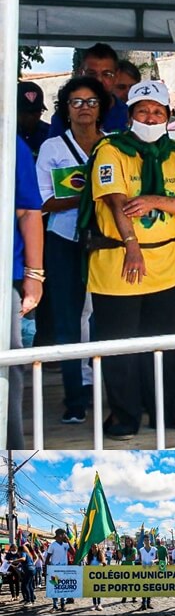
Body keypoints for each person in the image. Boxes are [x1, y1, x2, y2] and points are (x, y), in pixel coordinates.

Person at [85, 80, 175, 439]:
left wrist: (154, 201)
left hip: (164, 263)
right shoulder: (111, 150)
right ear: (130, 114)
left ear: (167, 115)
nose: (150, 117)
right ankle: (123, 414)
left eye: (157, 111)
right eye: (143, 110)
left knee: (160, 343)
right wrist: (132, 244)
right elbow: (116, 200)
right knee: (120, 345)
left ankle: (164, 407)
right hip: (119, 261)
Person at [36, 76, 110, 425]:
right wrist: (88, 197)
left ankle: (100, 386)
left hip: (105, 241)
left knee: (102, 316)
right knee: (68, 320)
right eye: (76, 102)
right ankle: (74, 396)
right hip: (64, 241)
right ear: (65, 108)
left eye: (91, 101)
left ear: (102, 107)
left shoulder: (113, 146)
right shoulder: (53, 147)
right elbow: (44, 202)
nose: (84, 108)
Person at [8, 135, 44, 449]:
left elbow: (29, 211)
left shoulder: (9, 140)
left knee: (7, 364)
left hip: (5, 278)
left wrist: (34, 275)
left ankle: (11, 445)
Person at [49, 43, 129, 136]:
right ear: (80, 73)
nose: (99, 80)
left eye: (106, 74)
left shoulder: (128, 114)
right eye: (91, 73)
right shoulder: (66, 115)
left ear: (117, 76)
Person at [17, 81, 50, 158]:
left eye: (37, 111)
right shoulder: (6, 135)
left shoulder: (50, 133)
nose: (31, 117)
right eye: (26, 112)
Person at [138, 534, 157, 610]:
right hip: (143, 570)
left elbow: (157, 559)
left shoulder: (154, 549)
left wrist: (153, 561)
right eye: (145, 540)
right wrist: (141, 562)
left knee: (150, 586)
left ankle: (148, 602)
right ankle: (143, 603)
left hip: (151, 570)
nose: (146, 541)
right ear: (143, 541)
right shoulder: (141, 550)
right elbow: (139, 559)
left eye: (148, 540)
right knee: (144, 586)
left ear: (150, 540)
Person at [119, 535, 138, 604]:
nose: (128, 542)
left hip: (131, 567)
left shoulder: (134, 549)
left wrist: (125, 558)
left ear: (131, 541)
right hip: (124, 567)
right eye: (126, 541)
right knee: (124, 583)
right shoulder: (123, 550)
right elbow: (120, 557)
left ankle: (134, 597)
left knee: (132, 583)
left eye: (129, 541)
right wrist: (119, 550)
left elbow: (134, 558)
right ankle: (124, 597)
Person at [87, 544, 104, 610]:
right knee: (93, 590)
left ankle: (99, 604)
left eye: (95, 547)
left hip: (99, 575)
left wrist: (104, 564)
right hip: (92, 575)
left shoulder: (100, 555)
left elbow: (103, 563)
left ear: (98, 548)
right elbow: (88, 564)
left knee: (98, 590)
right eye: (93, 547)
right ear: (91, 548)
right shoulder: (89, 556)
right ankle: (94, 604)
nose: (94, 548)